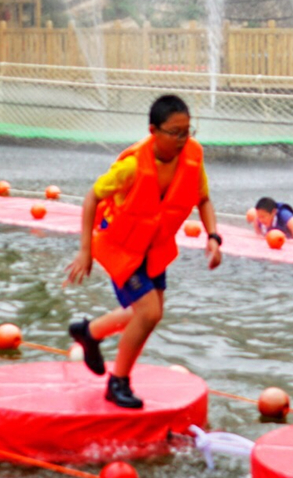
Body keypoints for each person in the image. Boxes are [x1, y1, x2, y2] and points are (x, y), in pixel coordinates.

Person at [66, 94, 224, 410]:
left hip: (154, 248)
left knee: (147, 315)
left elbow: (202, 198)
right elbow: (91, 198)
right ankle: (118, 382)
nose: (182, 140)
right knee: (149, 313)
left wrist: (213, 236)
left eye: (187, 131)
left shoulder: (192, 156)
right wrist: (85, 250)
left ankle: (90, 333)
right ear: (154, 130)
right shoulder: (132, 166)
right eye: (175, 132)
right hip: (121, 248)